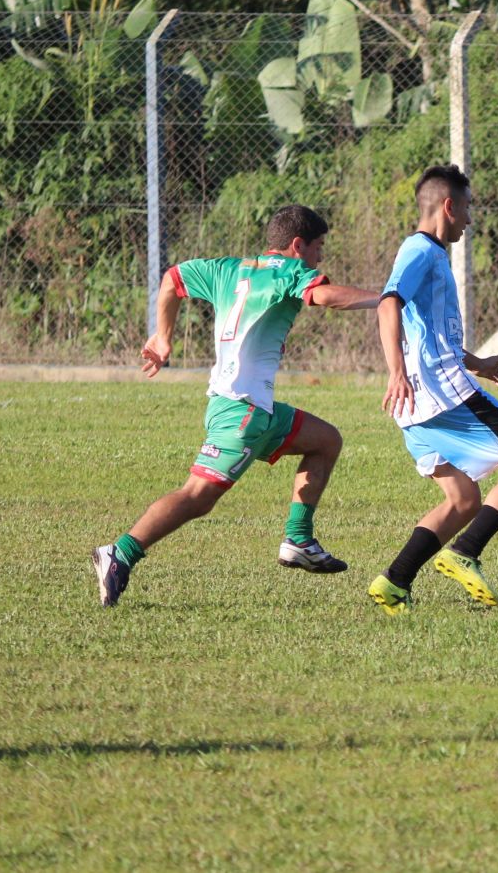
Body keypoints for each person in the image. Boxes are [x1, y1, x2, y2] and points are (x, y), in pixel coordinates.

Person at [91, 205, 381, 607]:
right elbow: (325, 296)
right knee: (198, 497)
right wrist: (386, 299)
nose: (320, 258)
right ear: (297, 246)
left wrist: (162, 336)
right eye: (318, 248)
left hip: (250, 408)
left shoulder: (227, 269)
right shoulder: (290, 272)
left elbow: (173, 279)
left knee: (326, 440)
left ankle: (298, 540)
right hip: (241, 412)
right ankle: (120, 552)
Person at [366, 164, 498, 615]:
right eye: (466, 208)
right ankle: (464, 552)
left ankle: (394, 582)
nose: (469, 219)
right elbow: (388, 304)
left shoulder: (428, 255)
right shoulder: (422, 252)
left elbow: (429, 332)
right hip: (443, 392)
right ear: (448, 206)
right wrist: (395, 371)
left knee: (463, 498)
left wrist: (477, 361)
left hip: (415, 408)